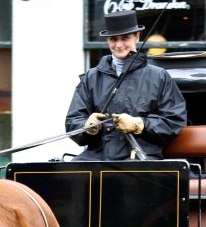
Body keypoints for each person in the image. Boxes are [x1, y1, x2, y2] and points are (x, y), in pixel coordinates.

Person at [64, 10, 187, 161]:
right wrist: (88, 127)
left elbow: (173, 122)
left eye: (125, 38)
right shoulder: (92, 77)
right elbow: (72, 121)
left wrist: (140, 124)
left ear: (137, 37)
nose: (119, 44)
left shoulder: (159, 76)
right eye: (113, 39)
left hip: (141, 157)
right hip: (97, 158)